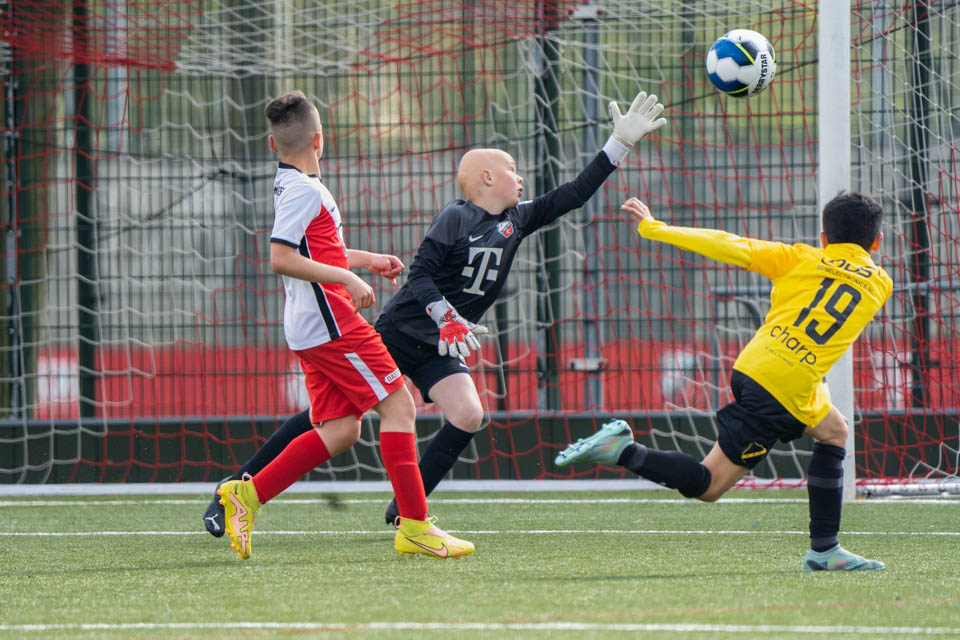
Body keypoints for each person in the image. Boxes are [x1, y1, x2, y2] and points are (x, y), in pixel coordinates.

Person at [203, 88, 667, 531]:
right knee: (335, 420)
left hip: (440, 343)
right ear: (487, 178)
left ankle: (408, 509)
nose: (520, 176)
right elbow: (419, 277)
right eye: (510, 167)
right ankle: (236, 486)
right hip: (405, 331)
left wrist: (619, 143)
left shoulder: (517, 220)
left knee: (468, 414)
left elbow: (574, 193)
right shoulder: (455, 216)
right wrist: (445, 316)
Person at [555, 193, 892, 572]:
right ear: (877, 242)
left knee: (834, 430)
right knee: (709, 485)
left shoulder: (800, 257)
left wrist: (656, 228)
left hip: (756, 364)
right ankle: (623, 451)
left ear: (824, 238)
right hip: (784, 386)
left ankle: (825, 551)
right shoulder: (880, 283)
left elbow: (726, 244)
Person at [215, 89, 473, 560]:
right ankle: (415, 525)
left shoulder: (294, 184)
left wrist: (365, 260)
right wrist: (345, 277)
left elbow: (315, 253)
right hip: (333, 323)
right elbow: (281, 258)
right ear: (321, 139)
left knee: (341, 429)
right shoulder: (303, 190)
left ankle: (245, 495)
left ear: (275, 146)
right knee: (400, 409)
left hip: (312, 326)